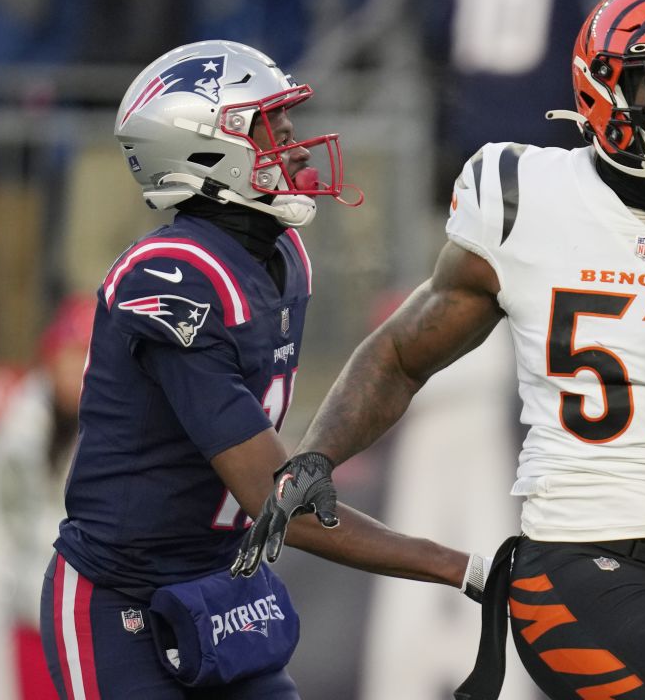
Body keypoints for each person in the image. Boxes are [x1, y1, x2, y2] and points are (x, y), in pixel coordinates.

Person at [238, 0, 645, 697]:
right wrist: (317, 454)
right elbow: (401, 353)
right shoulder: (521, 197)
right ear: (602, 91)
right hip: (576, 572)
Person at [39, 40, 488, 700]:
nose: (296, 146)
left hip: (222, 585)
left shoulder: (283, 258)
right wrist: (464, 567)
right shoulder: (173, 278)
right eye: (269, 128)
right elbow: (278, 505)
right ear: (201, 148)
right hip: (121, 601)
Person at [0, 295, 94, 700]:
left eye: (86, 358)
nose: (76, 372)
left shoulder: (120, 432)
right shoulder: (20, 433)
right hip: (33, 620)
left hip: (93, 628)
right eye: (70, 355)